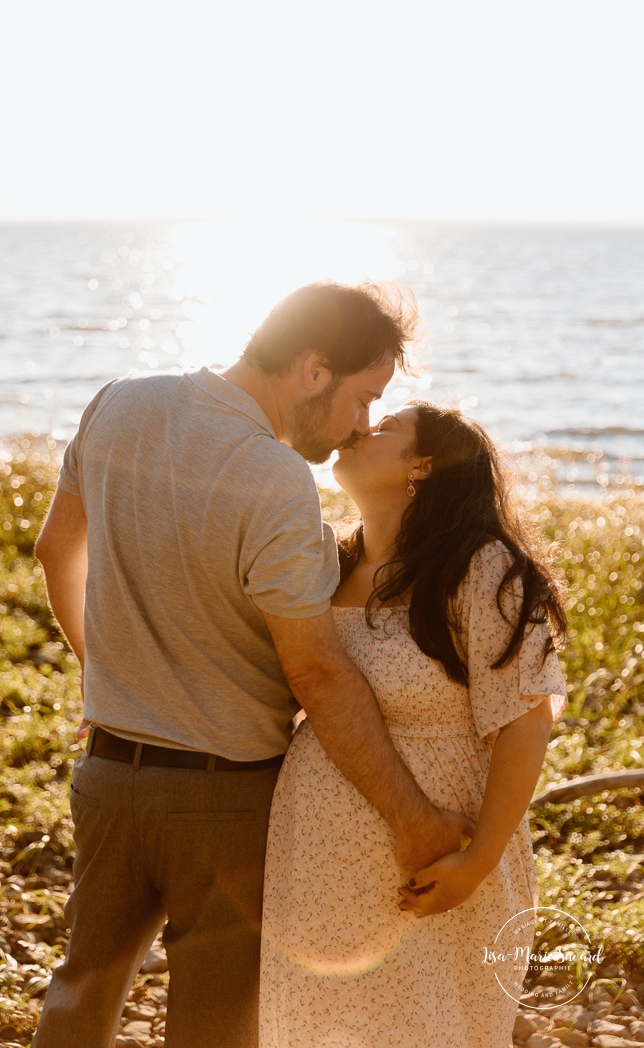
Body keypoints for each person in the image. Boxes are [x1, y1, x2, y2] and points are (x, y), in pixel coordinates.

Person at [31, 284, 471, 1048]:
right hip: (222, 801)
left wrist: (110, 679)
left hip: (105, 777)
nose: (361, 424)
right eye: (363, 396)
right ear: (311, 369)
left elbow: (54, 550)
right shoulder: (274, 480)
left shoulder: (120, 401)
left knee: (78, 1002)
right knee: (215, 1028)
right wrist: (415, 820)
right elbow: (318, 675)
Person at [260, 400, 568, 1048]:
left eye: (383, 428)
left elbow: (524, 721)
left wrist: (477, 861)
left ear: (421, 467)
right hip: (314, 865)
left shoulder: (480, 567)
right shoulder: (326, 562)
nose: (356, 429)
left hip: (433, 862)